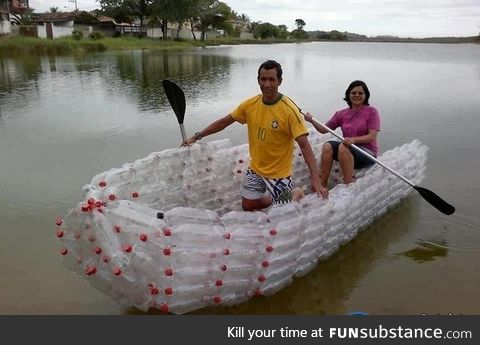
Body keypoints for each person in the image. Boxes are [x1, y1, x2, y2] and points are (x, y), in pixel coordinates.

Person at [182, 60, 328, 211]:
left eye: (272, 79)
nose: (267, 84)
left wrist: (315, 178)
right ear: (258, 80)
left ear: (280, 81)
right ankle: (278, 197)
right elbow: (224, 122)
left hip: (279, 173)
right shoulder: (250, 104)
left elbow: (305, 145)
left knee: (284, 213)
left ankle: (294, 194)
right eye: (263, 79)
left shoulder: (289, 110)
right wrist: (197, 136)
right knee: (248, 206)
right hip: (256, 168)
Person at [304, 80, 380, 188]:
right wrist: (311, 120)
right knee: (327, 146)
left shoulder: (372, 112)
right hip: (347, 149)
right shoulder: (342, 114)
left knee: (343, 147)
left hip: (367, 153)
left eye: (360, 93)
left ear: (365, 95)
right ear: (348, 95)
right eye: (353, 93)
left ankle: (348, 185)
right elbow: (323, 129)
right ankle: (322, 184)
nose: (357, 95)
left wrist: (354, 140)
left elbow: (372, 136)